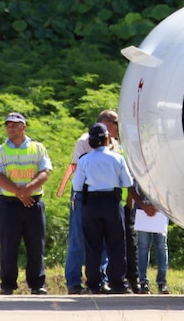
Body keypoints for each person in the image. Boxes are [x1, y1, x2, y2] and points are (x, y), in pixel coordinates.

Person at [0, 112, 52, 296]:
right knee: (8, 245)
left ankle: (37, 283)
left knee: (36, 245)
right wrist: (19, 192)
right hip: (9, 204)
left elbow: (45, 172)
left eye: (15, 125)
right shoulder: (0, 150)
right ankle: (7, 284)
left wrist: (28, 190)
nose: (11, 128)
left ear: (23, 127)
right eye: (8, 125)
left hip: (33, 202)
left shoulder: (38, 148)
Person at [59, 110, 121, 295]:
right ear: (105, 122)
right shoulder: (85, 141)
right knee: (78, 239)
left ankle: (99, 280)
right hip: (83, 194)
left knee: (102, 240)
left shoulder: (115, 144)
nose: (119, 127)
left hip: (106, 196)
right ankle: (73, 281)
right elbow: (78, 169)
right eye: (116, 122)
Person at [72, 123, 134, 294]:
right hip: (112, 203)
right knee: (116, 244)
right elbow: (127, 182)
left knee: (93, 245)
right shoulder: (117, 158)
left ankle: (93, 284)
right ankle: (118, 283)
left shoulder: (84, 160)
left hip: (91, 203)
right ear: (107, 139)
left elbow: (77, 185)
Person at [132, 187, 170, 295]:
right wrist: (144, 206)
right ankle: (143, 282)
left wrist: (159, 207)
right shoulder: (140, 170)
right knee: (143, 246)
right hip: (142, 209)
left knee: (161, 246)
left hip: (161, 210)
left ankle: (162, 282)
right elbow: (131, 188)